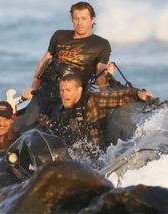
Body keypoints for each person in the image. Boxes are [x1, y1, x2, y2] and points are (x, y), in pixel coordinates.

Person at [16, 1, 116, 131]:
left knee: (55, 128)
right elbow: (45, 60)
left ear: (92, 20)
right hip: (46, 90)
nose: (79, 23)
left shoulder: (101, 44)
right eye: (76, 18)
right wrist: (34, 85)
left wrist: (107, 74)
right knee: (27, 126)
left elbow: (100, 71)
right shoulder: (59, 35)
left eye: (83, 18)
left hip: (69, 95)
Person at [43, 73, 153, 151]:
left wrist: (138, 94)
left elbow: (120, 96)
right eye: (62, 90)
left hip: (98, 156)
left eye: (68, 90)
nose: (64, 94)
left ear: (79, 90)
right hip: (78, 157)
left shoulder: (92, 100)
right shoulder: (62, 111)